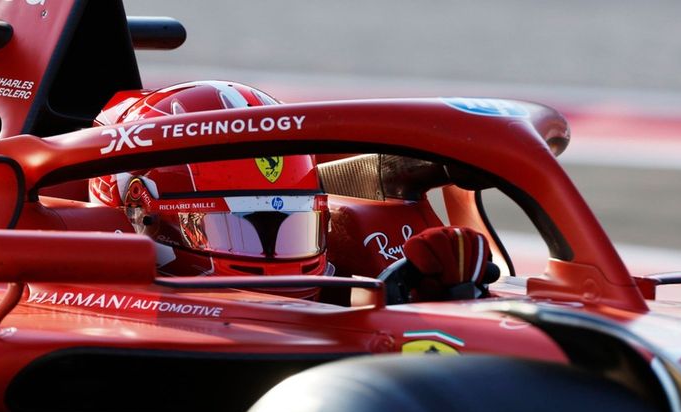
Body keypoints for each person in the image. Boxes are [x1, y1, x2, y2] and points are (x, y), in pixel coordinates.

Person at [89, 80, 497, 301]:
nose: (271, 256)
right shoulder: (77, 316)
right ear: (140, 215)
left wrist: (433, 291)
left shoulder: (337, 287)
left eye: (291, 228)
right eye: (239, 231)